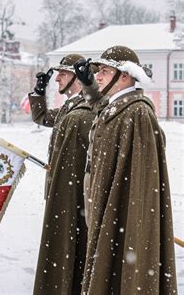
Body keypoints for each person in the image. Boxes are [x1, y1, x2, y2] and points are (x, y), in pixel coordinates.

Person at [73, 46, 177, 294]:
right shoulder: (118, 106)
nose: (98, 76)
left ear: (125, 75)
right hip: (106, 207)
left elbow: (140, 180)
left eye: (104, 72)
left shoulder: (137, 113)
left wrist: (126, 219)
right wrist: (87, 84)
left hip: (122, 214)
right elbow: (100, 106)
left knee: (122, 274)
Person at [30, 54, 94, 294]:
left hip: (75, 193)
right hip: (63, 188)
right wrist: (39, 92)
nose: (57, 78)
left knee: (77, 247)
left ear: (77, 78)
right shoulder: (70, 106)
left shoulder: (86, 107)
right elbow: (42, 118)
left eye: (63, 74)